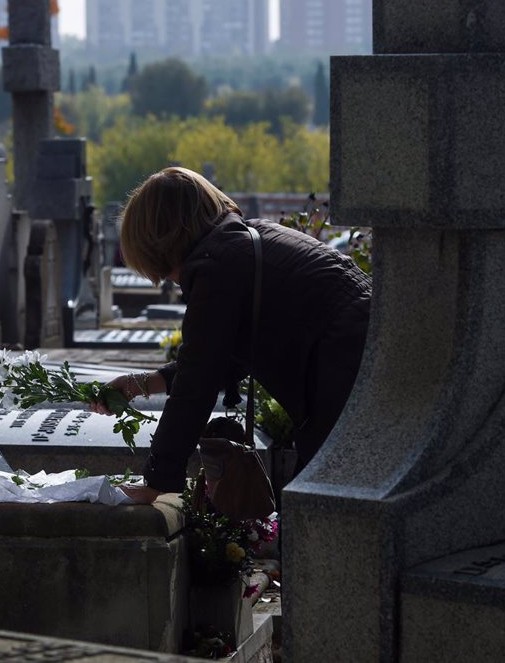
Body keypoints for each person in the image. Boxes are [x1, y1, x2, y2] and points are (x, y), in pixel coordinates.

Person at [96, 167, 371, 505]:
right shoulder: (243, 241)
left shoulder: (217, 266)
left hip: (346, 371)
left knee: (318, 512)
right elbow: (220, 356)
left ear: (163, 241)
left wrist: (156, 481)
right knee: (318, 507)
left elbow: (196, 384)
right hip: (363, 357)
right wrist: (142, 383)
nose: (171, 281)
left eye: (165, 274)